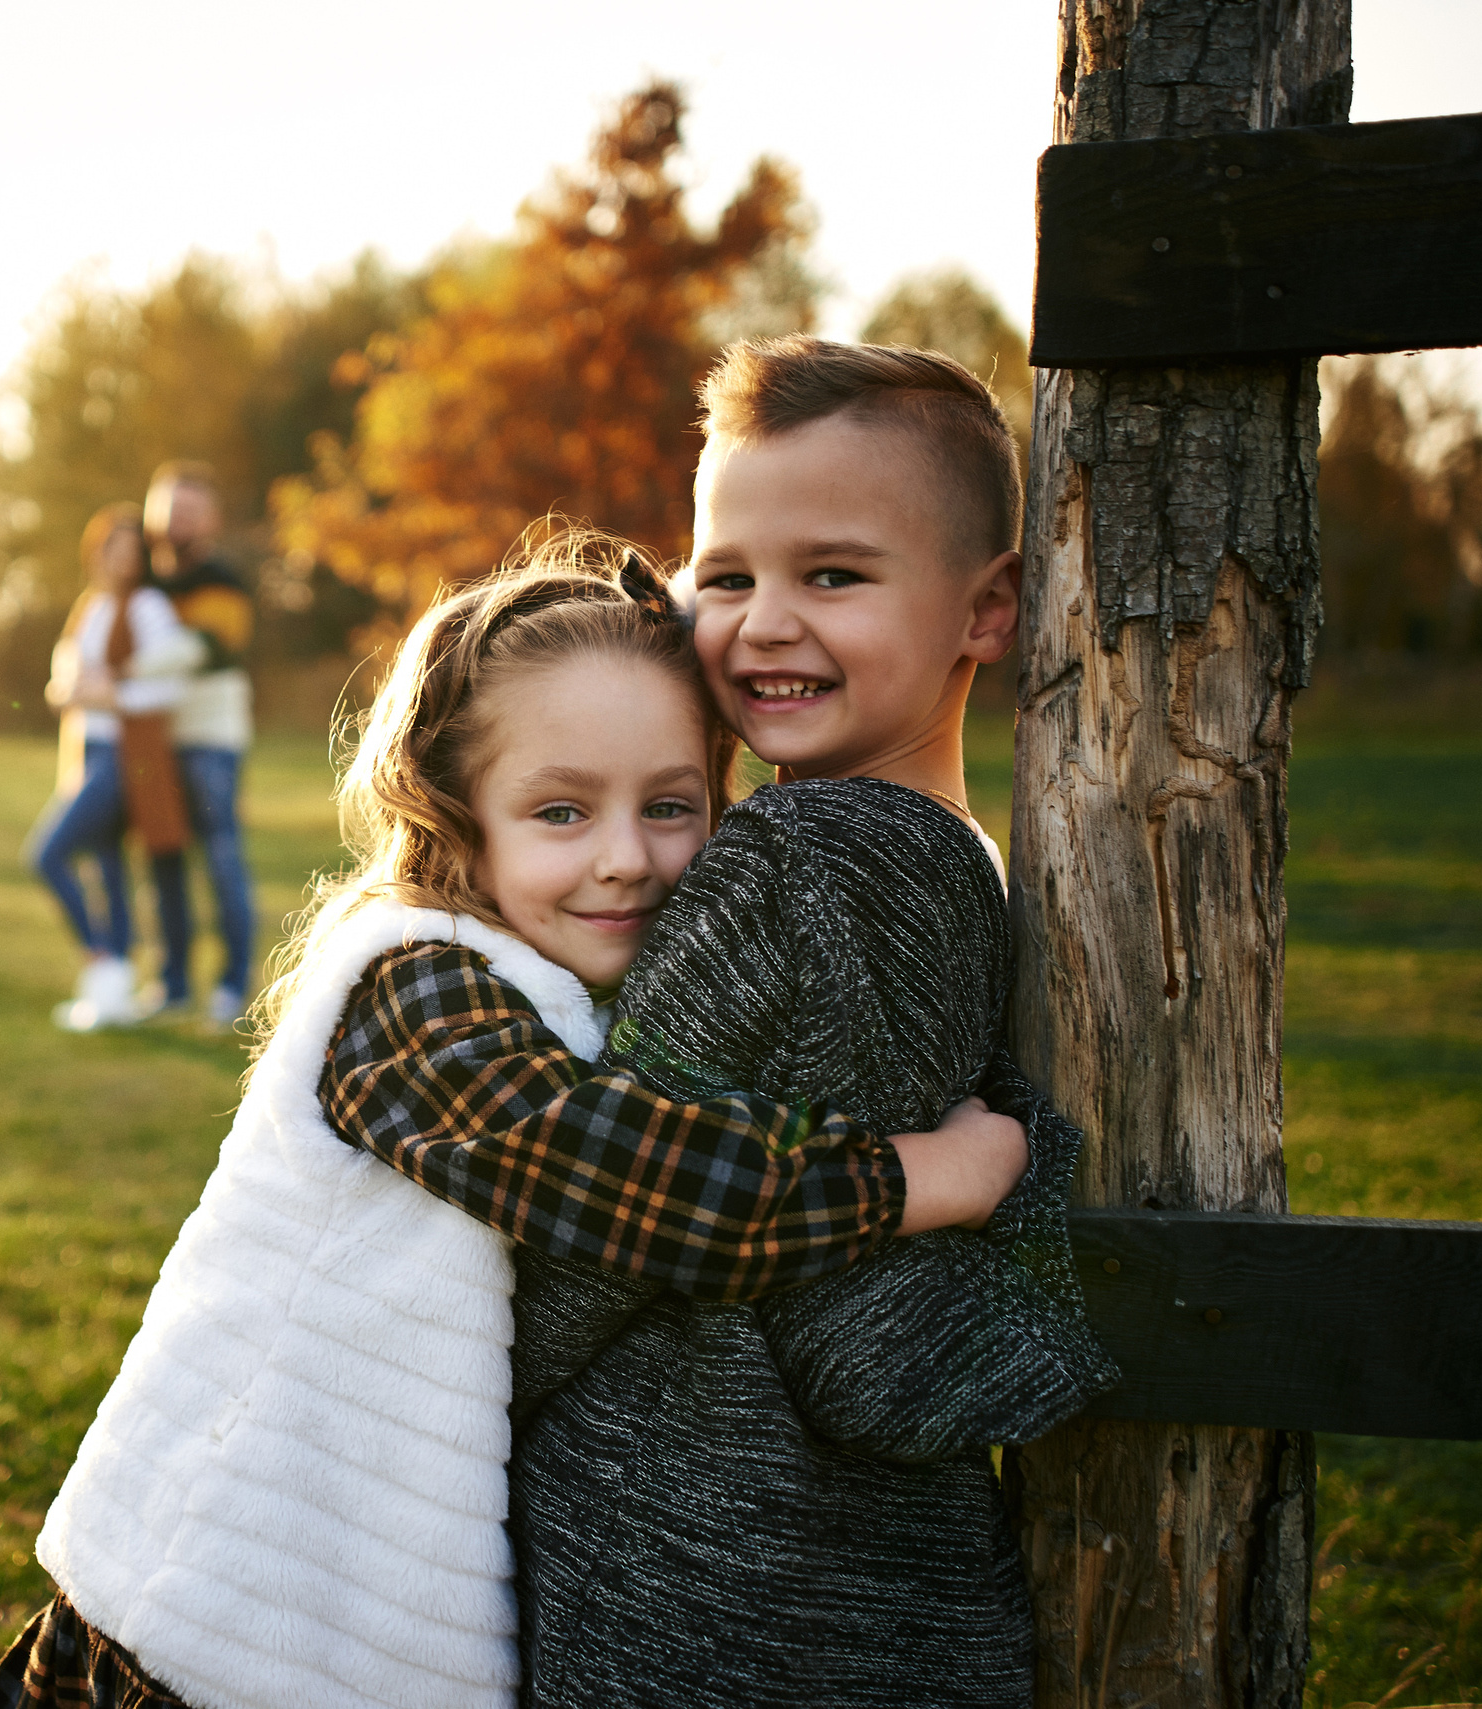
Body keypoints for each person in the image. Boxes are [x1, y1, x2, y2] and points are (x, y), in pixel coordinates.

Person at [0, 539, 1033, 1709]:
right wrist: (932, 1174)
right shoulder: (411, 990)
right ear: (459, 819)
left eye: (671, 805)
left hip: (332, 1619)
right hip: (203, 1612)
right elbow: (636, 1185)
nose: (627, 858)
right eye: (561, 810)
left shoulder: (577, 988)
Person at [496, 339, 1116, 1706]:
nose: (763, 621)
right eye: (727, 576)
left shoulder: (811, 865)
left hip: (725, 1596)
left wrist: (458, 1374)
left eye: (832, 574)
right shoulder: (952, 850)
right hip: (836, 1598)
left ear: (987, 606)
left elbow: (612, 1212)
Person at [29, 503, 203, 1032]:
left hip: (126, 756)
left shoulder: (148, 606)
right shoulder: (90, 607)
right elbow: (69, 671)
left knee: (47, 855)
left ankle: (103, 965)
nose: (125, 560)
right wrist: (66, 690)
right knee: (103, 866)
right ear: (97, 550)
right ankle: (115, 992)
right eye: (115, 548)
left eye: (135, 550)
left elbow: (173, 682)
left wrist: (114, 695)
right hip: (87, 752)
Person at [141, 461, 256, 1024]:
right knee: (163, 858)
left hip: (211, 738)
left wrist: (122, 670)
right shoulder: (141, 581)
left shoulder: (223, 582)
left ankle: (233, 986)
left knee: (221, 856)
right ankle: (173, 985)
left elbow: (204, 649)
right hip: (153, 741)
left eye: (188, 509)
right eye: (166, 508)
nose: (175, 521)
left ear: (210, 520)